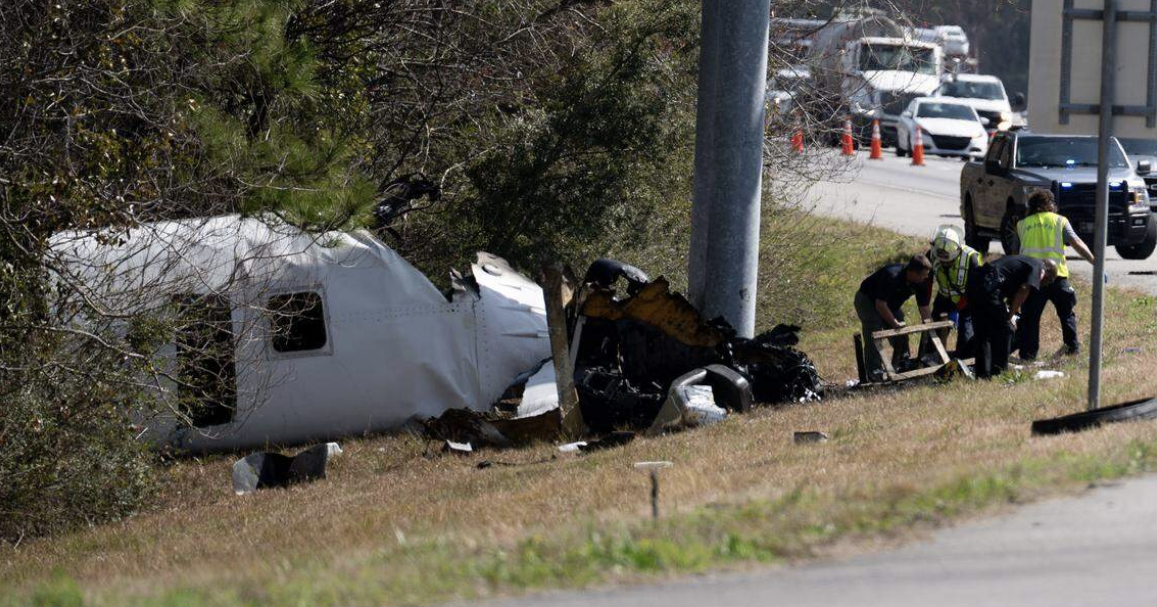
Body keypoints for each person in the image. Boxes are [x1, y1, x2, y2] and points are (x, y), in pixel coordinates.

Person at [1015, 190, 1095, 360]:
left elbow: (1017, 252)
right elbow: (1077, 243)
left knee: (1030, 319)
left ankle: (1028, 356)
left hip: (1032, 279)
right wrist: (1096, 263)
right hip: (1058, 277)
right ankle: (1072, 349)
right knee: (1066, 314)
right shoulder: (1060, 221)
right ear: (1050, 204)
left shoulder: (1021, 224)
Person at [966, 255, 1058, 378]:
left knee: (983, 334)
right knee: (1006, 330)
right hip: (989, 286)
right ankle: (999, 372)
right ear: (1047, 273)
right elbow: (1024, 289)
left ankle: (983, 375)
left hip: (974, 284)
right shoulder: (1039, 267)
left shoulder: (1024, 263)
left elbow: (1010, 287)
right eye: (1049, 280)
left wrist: (1009, 309)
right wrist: (1010, 315)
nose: (1045, 284)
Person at [855, 255, 934, 379]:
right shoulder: (891, 275)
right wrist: (894, 323)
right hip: (867, 300)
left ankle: (903, 363)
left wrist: (930, 327)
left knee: (902, 332)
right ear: (913, 273)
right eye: (923, 275)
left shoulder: (921, 282)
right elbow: (880, 304)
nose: (926, 277)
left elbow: (924, 307)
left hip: (890, 304)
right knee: (874, 334)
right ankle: (874, 372)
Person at [928, 225, 982, 358]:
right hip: (944, 297)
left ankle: (962, 360)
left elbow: (977, 288)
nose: (945, 263)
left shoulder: (971, 258)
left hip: (966, 299)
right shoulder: (931, 255)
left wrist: (959, 306)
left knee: (966, 332)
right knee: (933, 330)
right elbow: (926, 282)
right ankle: (930, 356)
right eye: (943, 260)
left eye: (949, 261)